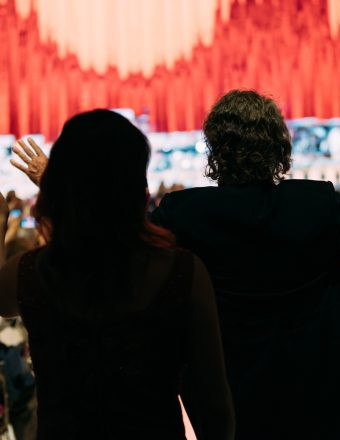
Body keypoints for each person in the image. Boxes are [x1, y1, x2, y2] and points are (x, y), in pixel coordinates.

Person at [13, 91, 340, 440]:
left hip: (229, 396)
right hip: (320, 395)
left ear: (213, 149)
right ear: (280, 146)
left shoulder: (183, 213)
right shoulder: (316, 204)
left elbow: (116, 234)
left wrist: (60, 186)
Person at [1, 110, 235, 440]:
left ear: (60, 187)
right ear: (137, 186)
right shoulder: (183, 273)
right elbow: (215, 409)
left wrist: (58, 194)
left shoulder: (30, 273)